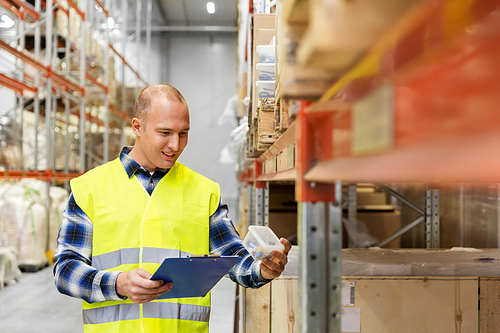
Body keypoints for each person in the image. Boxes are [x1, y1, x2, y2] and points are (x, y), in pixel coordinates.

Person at [53, 84, 291, 333]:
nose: (175, 145)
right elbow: (66, 270)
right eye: (165, 132)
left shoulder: (204, 191)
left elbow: (233, 257)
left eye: (183, 133)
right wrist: (118, 283)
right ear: (137, 127)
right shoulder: (90, 188)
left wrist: (261, 269)